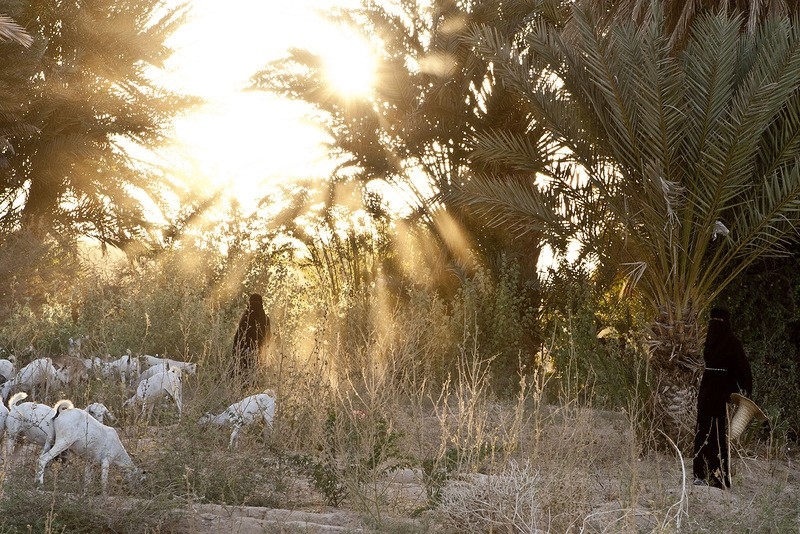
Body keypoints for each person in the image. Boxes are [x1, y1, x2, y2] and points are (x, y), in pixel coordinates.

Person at [693, 307, 753, 488]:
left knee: (703, 430)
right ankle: (717, 476)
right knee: (717, 432)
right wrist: (743, 387)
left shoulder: (709, 341)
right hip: (718, 391)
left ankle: (700, 475)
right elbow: (743, 368)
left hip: (706, 389)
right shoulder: (731, 341)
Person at [232, 293, 271, 381]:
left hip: (243, 354)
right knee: (254, 380)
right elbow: (268, 338)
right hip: (258, 355)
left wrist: (236, 354)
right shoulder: (265, 319)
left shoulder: (246, 317)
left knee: (241, 379)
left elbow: (238, 338)